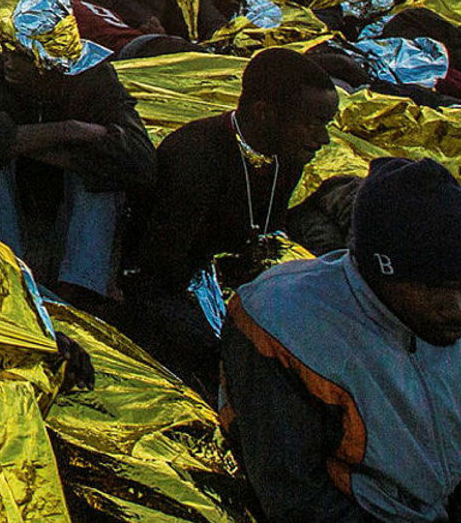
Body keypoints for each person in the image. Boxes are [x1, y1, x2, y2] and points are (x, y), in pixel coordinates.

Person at [222, 157, 461, 523]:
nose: (460, 310)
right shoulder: (285, 327)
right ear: (379, 271)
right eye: (437, 290)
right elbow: (296, 498)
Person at [121, 48, 338, 389]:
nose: (323, 140)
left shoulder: (286, 157)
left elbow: (268, 235)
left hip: (239, 277)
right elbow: (160, 271)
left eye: (326, 125)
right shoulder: (196, 157)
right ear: (264, 113)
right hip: (170, 287)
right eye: (312, 124)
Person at [0, 0, 153, 296]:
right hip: (12, 209)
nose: (9, 63)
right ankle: (5, 279)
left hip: (66, 214)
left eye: (21, 56)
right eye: (7, 50)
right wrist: (68, 133)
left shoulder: (93, 80)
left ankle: (82, 292)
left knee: (102, 174)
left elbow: (139, 161)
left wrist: (18, 137)